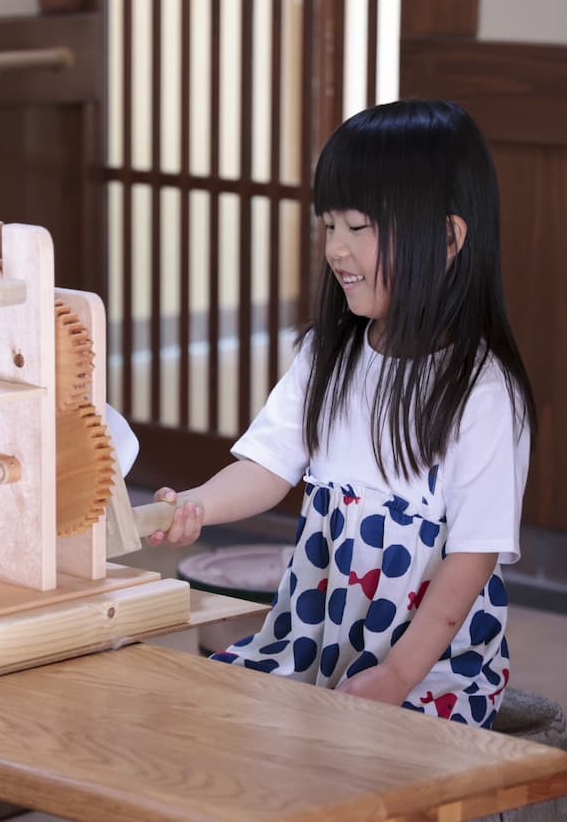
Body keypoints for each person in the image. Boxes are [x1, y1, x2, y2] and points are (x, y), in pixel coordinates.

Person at [149, 99, 536, 727]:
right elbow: (267, 468)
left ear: (447, 238)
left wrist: (397, 675)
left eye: (359, 226)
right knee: (203, 717)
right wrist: (194, 505)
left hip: (427, 665)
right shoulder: (326, 356)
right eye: (329, 225)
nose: (335, 249)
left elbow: (471, 560)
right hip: (313, 642)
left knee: (362, 759)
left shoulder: (483, 392)